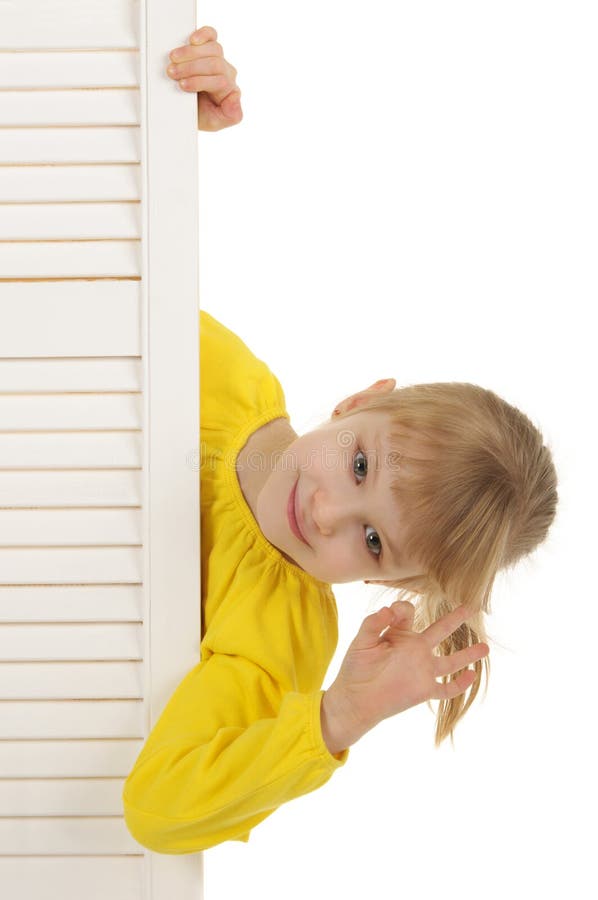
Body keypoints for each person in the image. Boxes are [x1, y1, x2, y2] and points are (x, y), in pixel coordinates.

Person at [122, 27, 559, 853]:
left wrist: (337, 716)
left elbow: (158, 805)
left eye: (370, 537)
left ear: (386, 578)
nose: (325, 511)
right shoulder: (226, 374)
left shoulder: (280, 631)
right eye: (359, 464)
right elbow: (93, 281)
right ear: (361, 400)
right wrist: (165, 137)